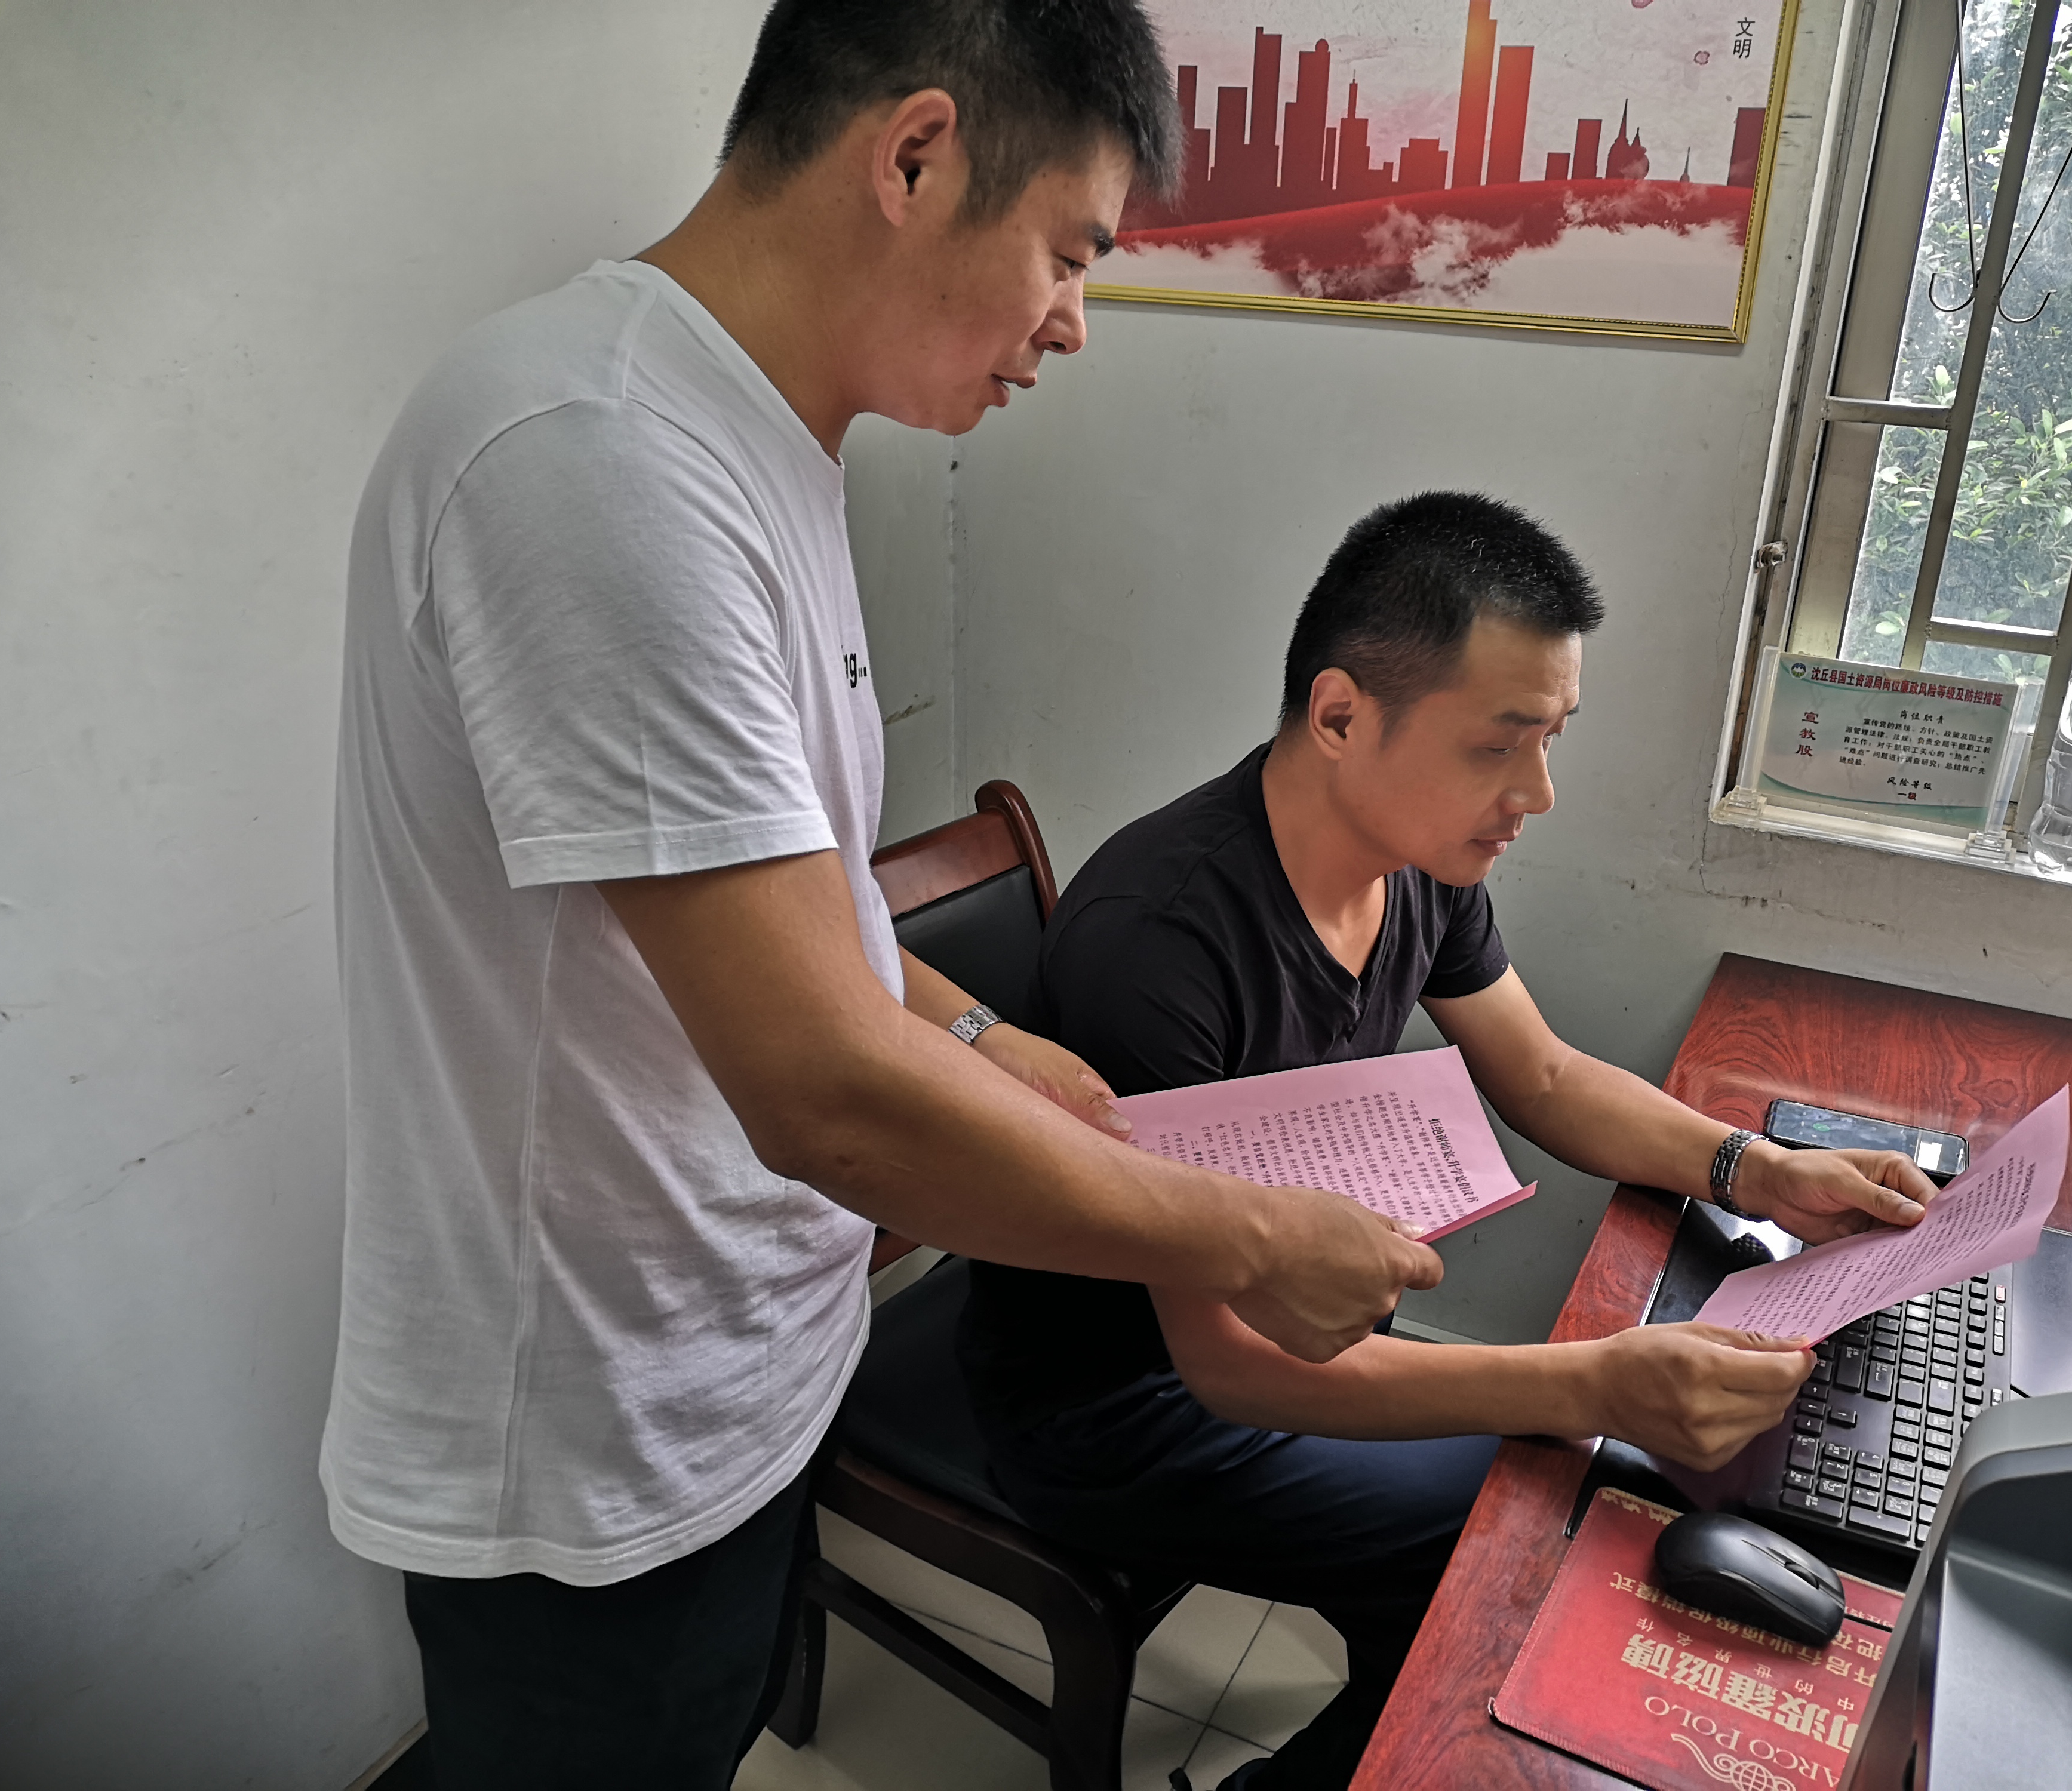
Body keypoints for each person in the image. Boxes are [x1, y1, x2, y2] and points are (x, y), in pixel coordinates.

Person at [320, 5, 1444, 1784]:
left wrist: (987, 1037)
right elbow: (822, 1089)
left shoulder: (756, 445)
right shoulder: (598, 459)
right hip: (600, 1443)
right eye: (1070, 252)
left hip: (749, 1369)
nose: (1073, 321)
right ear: (915, 156)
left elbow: (807, 905)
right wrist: (1242, 1239)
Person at [958, 492, 1938, 1791]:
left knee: (1540, 1513)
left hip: (1297, 1334)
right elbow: (1233, 1365)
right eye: (1498, 745)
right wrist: (1588, 1383)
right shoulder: (1160, 946)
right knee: (1510, 1548)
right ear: (1339, 716)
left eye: (1551, 738)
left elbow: (1542, 1073)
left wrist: (1758, 1170)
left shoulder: (1416, 859)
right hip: (1115, 1402)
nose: (1536, 794)